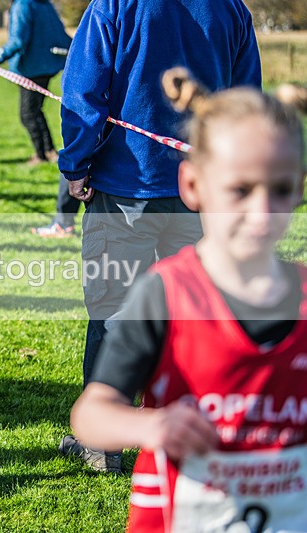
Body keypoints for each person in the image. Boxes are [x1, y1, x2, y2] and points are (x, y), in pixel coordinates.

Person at [70, 69, 307, 532]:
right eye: (239, 190)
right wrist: (148, 428)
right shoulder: (165, 294)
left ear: (300, 188)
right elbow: (90, 415)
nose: (261, 213)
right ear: (193, 186)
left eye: (279, 190)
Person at [57, 0, 262, 472]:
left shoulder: (113, 5)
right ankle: (179, 432)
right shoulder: (231, 7)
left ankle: (103, 444)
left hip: (125, 188)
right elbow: (247, 97)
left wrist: (75, 164)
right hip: (200, 191)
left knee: (114, 311)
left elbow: (84, 89)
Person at [0, 0, 70, 166]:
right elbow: (61, 34)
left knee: (27, 115)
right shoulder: (45, 4)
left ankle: (41, 155)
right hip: (48, 66)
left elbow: (17, 40)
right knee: (35, 111)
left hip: (31, 69)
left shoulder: (22, 5)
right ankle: (49, 151)